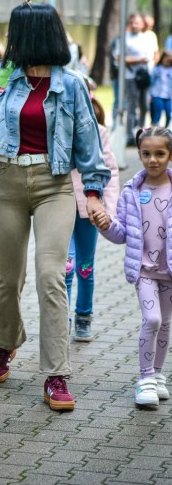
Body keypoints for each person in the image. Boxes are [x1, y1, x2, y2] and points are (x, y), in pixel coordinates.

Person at [0, 1, 110, 411]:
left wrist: (92, 190)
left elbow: (88, 141)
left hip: (54, 186)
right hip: (4, 184)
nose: (9, 39)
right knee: (8, 279)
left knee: (51, 276)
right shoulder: (1, 79)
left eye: (15, 31)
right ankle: (5, 344)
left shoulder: (71, 85)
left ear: (33, 34)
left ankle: (57, 374)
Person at [95, 127, 172, 408]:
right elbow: (121, 234)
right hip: (143, 272)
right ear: (139, 154)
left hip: (169, 273)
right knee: (151, 319)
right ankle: (145, 378)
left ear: (169, 155)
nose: (153, 160)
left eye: (160, 154)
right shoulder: (132, 192)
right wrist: (105, 224)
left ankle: (159, 376)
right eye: (147, 154)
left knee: (164, 324)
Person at [66, 87, 120, 342]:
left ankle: (83, 316)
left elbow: (110, 170)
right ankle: (60, 318)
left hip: (90, 209)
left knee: (84, 267)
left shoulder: (100, 133)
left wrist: (109, 209)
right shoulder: (59, 132)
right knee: (63, 267)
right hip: (61, 206)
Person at [113, 14, 153, 144]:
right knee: (131, 105)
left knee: (144, 105)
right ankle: (130, 135)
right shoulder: (123, 39)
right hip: (130, 77)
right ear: (130, 24)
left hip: (144, 77)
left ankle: (142, 131)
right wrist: (137, 60)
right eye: (133, 22)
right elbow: (119, 58)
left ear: (142, 24)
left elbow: (149, 57)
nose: (135, 25)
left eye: (138, 22)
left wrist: (131, 60)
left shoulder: (146, 39)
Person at [150, 50, 172, 127]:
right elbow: (151, 82)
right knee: (157, 113)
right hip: (157, 94)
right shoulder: (156, 69)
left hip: (168, 96)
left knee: (169, 114)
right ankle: (155, 129)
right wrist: (150, 95)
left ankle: (166, 130)